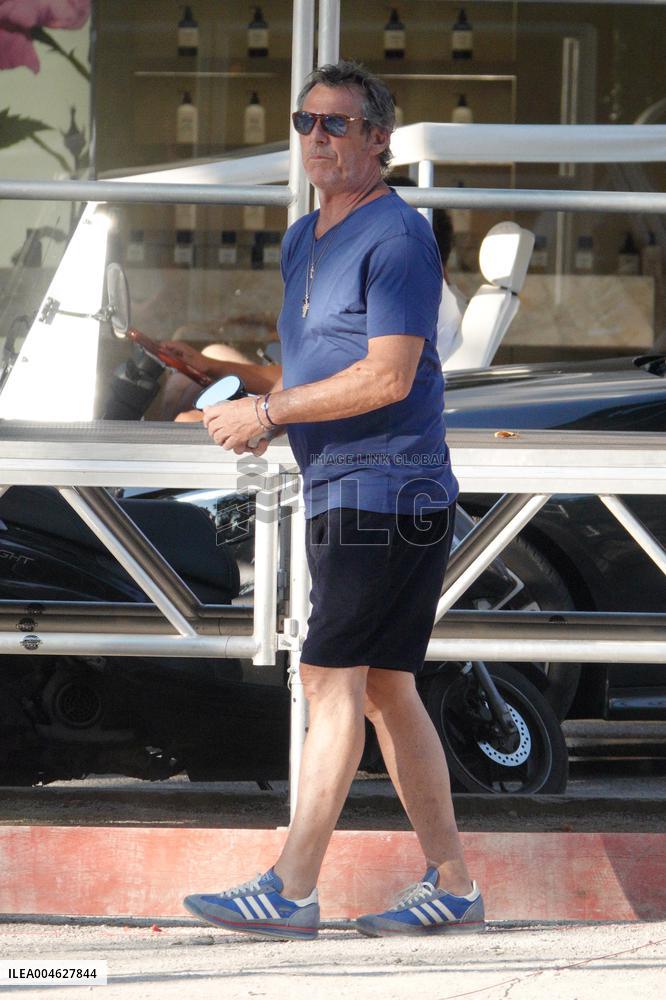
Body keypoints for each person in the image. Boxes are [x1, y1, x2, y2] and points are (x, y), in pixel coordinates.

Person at [181, 59, 483, 940]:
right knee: (387, 686)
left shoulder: (398, 237)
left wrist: (269, 411)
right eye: (306, 121)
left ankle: (292, 887)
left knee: (329, 677)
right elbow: (323, 369)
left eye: (338, 124)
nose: (317, 136)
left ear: (378, 139)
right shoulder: (303, 235)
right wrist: (228, 380)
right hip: (353, 488)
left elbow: (387, 377)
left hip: (387, 489)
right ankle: (455, 883)